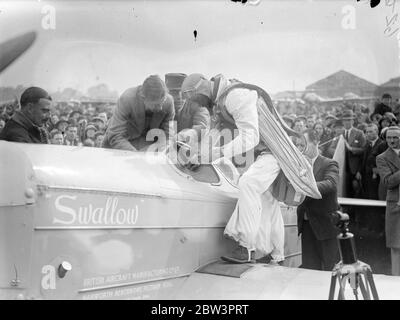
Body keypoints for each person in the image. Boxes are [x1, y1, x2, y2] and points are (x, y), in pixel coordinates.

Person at [180, 73, 320, 264]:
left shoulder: (235, 96)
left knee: (248, 183)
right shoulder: (223, 99)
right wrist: (198, 156)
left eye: (196, 100)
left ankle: (246, 248)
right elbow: (213, 134)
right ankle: (277, 255)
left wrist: (217, 153)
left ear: (200, 90)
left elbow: (250, 138)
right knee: (268, 199)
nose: (200, 106)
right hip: (271, 152)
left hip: (275, 152)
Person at [297, 129, 340, 271]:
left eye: (303, 144)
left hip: (325, 225)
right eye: (297, 145)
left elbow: (331, 183)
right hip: (307, 224)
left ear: (316, 142)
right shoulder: (298, 165)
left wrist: (307, 187)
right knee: (309, 269)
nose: (299, 149)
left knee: (330, 269)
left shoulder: (329, 163)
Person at [103, 75, 175, 151]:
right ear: (143, 98)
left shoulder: (169, 102)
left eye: (162, 103)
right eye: (156, 105)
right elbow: (116, 135)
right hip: (119, 147)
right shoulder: (127, 98)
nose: (160, 108)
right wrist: (135, 155)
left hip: (147, 149)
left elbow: (169, 136)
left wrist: (155, 150)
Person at [376, 126, 400, 276]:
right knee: (396, 246)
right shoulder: (382, 158)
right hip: (396, 206)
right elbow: (388, 182)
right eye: (389, 137)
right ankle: (396, 282)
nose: (392, 141)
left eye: (395, 137)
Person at [166, 73, 210, 145]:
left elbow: (202, 127)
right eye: (174, 92)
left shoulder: (198, 104)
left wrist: (185, 136)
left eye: (183, 92)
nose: (180, 96)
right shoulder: (160, 106)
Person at [342, 110, 366, 198]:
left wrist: (351, 149)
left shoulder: (359, 133)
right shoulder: (339, 133)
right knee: (343, 191)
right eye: (345, 120)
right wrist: (339, 150)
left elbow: (364, 150)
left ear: (353, 121)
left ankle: (354, 211)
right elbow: (330, 148)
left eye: (349, 120)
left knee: (355, 191)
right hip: (342, 167)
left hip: (354, 169)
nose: (347, 122)